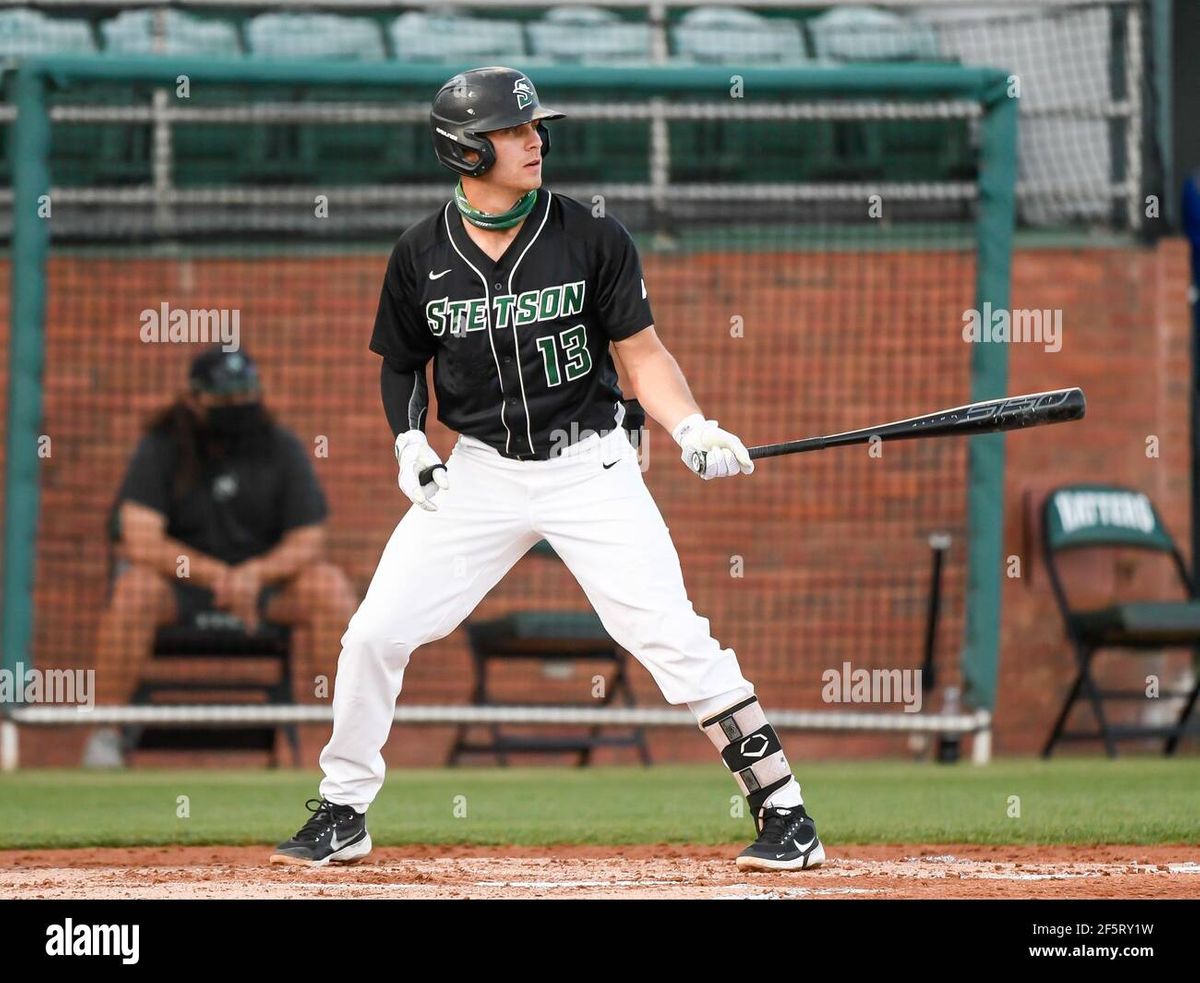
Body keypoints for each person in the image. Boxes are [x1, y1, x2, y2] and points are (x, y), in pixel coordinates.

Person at [271, 67, 824, 872]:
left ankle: (785, 812)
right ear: (464, 150)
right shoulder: (419, 253)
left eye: (535, 127)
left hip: (590, 467)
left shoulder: (592, 235)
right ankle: (343, 808)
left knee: (668, 634)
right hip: (480, 475)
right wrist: (407, 441)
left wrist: (690, 425)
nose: (535, 141)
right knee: (374, 632)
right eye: (513, 131)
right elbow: (401, 364)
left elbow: (644, 355)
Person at [82, 347, 355, 767]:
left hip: (264, 590)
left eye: (246, 396)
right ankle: (106, 734)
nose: (238, 408)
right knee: (134, 589)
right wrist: (216, 576)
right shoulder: (162, 446)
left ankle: (348, 744)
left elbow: (308, 537)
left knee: (330, 588)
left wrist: (255, 574)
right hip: (181, 588)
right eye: (225, 400)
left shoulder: (280, 446)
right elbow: (139, 538)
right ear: (195, 399)